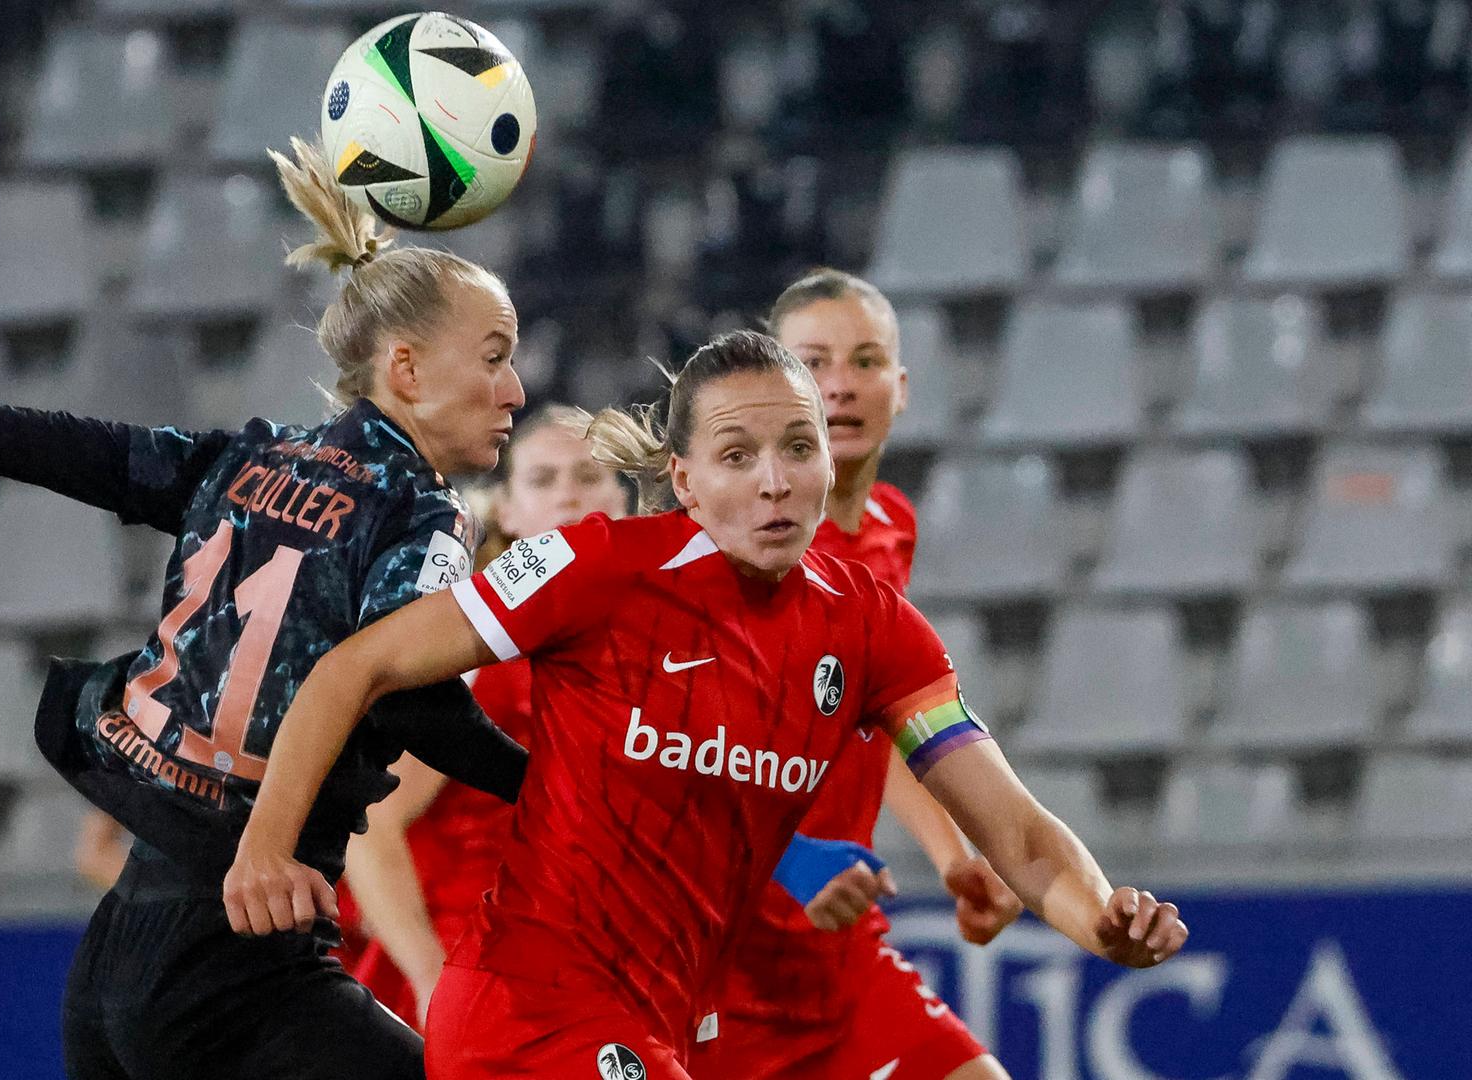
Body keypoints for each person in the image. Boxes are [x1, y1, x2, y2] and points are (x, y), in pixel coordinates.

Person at [0, 137, 531, 1080]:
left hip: (117, 954)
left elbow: (21, 440)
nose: (515, 391)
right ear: (405, 369)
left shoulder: (239, 463)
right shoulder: (422, 514)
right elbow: (408, 700)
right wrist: (566, 781)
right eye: (493, 358)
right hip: (243, 966)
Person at [223, 329, 1188, 1079]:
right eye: (737, 454)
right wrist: (265, 842)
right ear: (682, 479)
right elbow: (354, 667)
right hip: (528, 1012)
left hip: (669, 1026)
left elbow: (1014, 830)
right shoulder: (595, 568)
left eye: (798, 447)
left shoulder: (874, 630)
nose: (774, 481)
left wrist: (1099, 918)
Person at [692, 269, 1020, 1080]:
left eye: (865, 360)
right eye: (813, 362)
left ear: (900, 387)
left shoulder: (889, 527)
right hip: (719, 957)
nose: (840, 384)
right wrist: (794, 860)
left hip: (838, 947)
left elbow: (877, 717)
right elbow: (677, 757)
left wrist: (953, 855)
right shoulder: (734, 555)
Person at [345, 405, 633, 1025]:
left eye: (588, 475)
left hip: (602, 970)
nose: (568, 495)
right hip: (479, 974)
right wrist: (430, 974)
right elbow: (371, 826)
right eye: (543, 479)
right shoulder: (469, 649)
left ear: (623, 500)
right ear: (505, 510)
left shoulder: (662, 650)